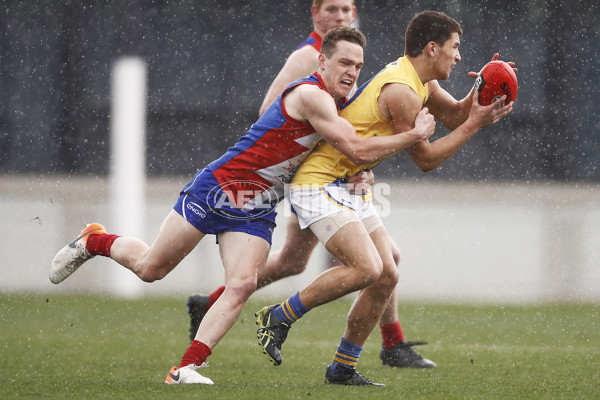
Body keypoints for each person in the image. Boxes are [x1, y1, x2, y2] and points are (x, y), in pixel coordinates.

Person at [49, 27, 435, 385]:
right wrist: (414, 136)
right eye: (344, 63)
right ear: (322, 62)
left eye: (358, 66)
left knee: (243, 283)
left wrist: (361, 175)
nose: (352, 72)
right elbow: (353, 146)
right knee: (152, 268)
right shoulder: (312, 95)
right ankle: (94, 241)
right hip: (218, 188)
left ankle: (185, 368)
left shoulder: (344, 105)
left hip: (258, 206)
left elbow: (348, 157)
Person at [255, 10, 514, 386]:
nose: (459, 57)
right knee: (366, 269)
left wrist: (485, 90)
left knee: (387, 272)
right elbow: (426, 159)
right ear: (431, 48)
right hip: (318, 184)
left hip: (347, 182)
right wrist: (475, 123)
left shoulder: (419, 81)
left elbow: (458, 116)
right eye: (455, 48)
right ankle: (279, 316)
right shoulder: (403, 91)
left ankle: (342, 367)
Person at [187, 0, 437, 370]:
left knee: (292, 262)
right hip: (303, 176)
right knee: (382, 262)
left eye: (347, 10)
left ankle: (210, 301)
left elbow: (352, 126)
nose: (340, 16)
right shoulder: (307, 57)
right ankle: (391, 343)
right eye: (332, 9)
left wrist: (357, 166)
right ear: (315, 13)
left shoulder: (347, 58)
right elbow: (270, 112)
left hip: (327, 173)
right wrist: (323, 157)